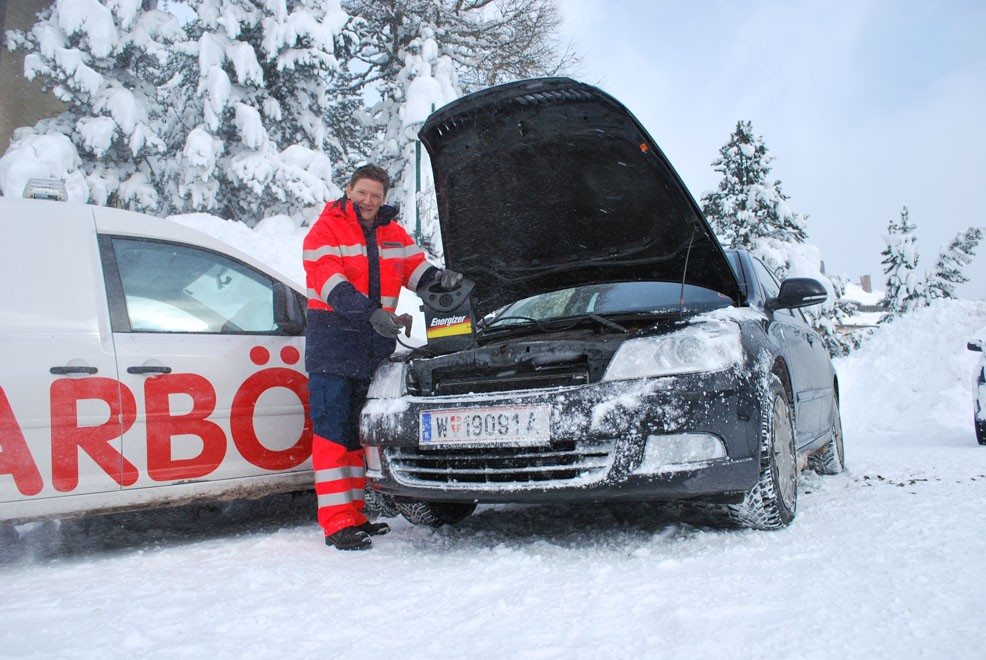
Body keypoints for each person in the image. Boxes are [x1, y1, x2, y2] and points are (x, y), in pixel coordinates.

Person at [302, 164, 461, 551]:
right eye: (362, 193)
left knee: (357, 439)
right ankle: (337, 524)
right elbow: (332, 286)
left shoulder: (392, 232)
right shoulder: (325, 230)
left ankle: (355, 516)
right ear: (349, 190)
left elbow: (416, 270)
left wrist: (441, 280)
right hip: (334, 349)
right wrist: (372, 313)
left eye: (375, 195)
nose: (368, 201)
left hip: (372, 350)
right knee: (332, 438)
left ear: (384, 197)